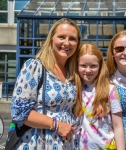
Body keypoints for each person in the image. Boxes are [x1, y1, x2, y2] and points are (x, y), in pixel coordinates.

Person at [11, 18, 81, 149]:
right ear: (51, 39)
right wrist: (56, 125)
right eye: (61, 37)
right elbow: (19, 113)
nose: (67, 43)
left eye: (72, 39)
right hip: (37, 143)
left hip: (66, 144)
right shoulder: (34, 66)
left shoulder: (73, 73)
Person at [74, 44, 125, 150]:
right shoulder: (72, 89)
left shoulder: (109, 90)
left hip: (105, 147)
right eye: (83, 66)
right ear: (77, 65)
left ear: (100, 66)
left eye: (93, 66)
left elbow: (118, 125)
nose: (88, 70)